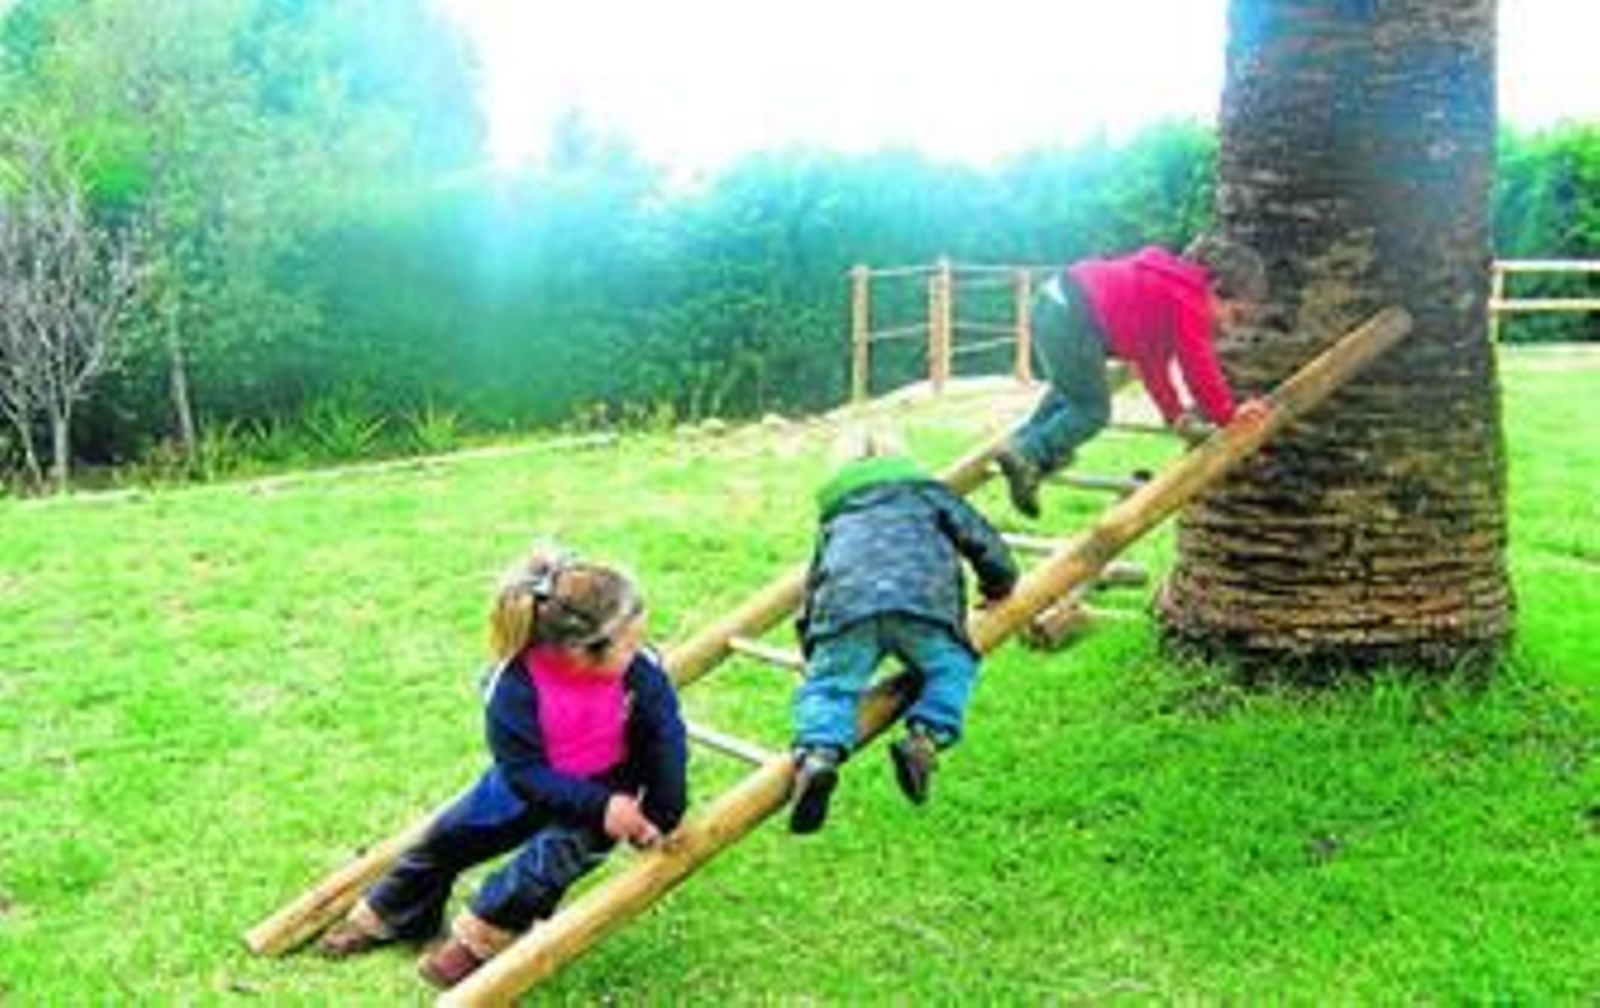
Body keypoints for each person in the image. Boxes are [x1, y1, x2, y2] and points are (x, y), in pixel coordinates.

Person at [316, 547, 688, 989]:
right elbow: (522, 770)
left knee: (545, 865)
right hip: (530, 782)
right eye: (628, 643)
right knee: (447, 837)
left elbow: (666, 740)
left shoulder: (642, 673)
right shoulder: (513, 684)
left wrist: (659, 814)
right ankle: (398, 913)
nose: (640, 649)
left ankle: (478, 941)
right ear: (579, 651)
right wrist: (599, 804)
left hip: (607, 790)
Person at [788, 427, 1019, 834]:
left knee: (829, 687)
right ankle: (925, 737)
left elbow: (815, 584)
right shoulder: (929, 492)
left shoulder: (837, 514)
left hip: (847, 612)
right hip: (922, 608)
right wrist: (999, 585)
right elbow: (981, 539)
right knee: (953, 665)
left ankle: (819, 757)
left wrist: (813, 647)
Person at [994, 234, 1274, 518]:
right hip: (1075, 312)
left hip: (1053, 301)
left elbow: (1152, 363)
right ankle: (1031, 454)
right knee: (1091, 411)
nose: (1228, 327)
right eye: (1234, 315)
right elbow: (1199, 367)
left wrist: (1175, 414)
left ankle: (1021, 448)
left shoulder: (1164, 291)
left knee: (1070, 395)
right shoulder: (1190, 298)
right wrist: (1228, 416)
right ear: (1215, 288)